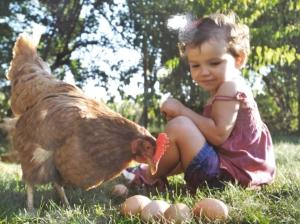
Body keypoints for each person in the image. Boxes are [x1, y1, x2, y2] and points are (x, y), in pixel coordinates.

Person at [126, 12, 276, 194]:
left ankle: (148, 177)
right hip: (229, 172)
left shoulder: (231, 87)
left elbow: (219, 134)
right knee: (180, 129)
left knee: (180, 126)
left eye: (214, 63)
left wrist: (182, 110)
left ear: (239, 59)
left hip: (227, 177)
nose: (204, 72)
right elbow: (196, 149)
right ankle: (151, 172)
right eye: (195, 65)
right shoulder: (222, 90)